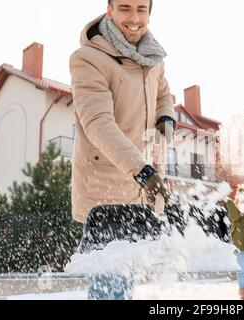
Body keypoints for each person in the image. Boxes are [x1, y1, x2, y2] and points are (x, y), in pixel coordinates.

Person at [69, 0, 177, 300]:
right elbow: (97, 123)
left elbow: (163, 93)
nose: (134, 18)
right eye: (125, 8)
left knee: (124, 282)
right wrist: (142, 170)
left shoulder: (153, 58)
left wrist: (165, 116)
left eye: (142, 9)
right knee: (109, 285)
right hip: (105, 188)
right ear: (110, 10)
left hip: (140, 188)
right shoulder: (88, 58)